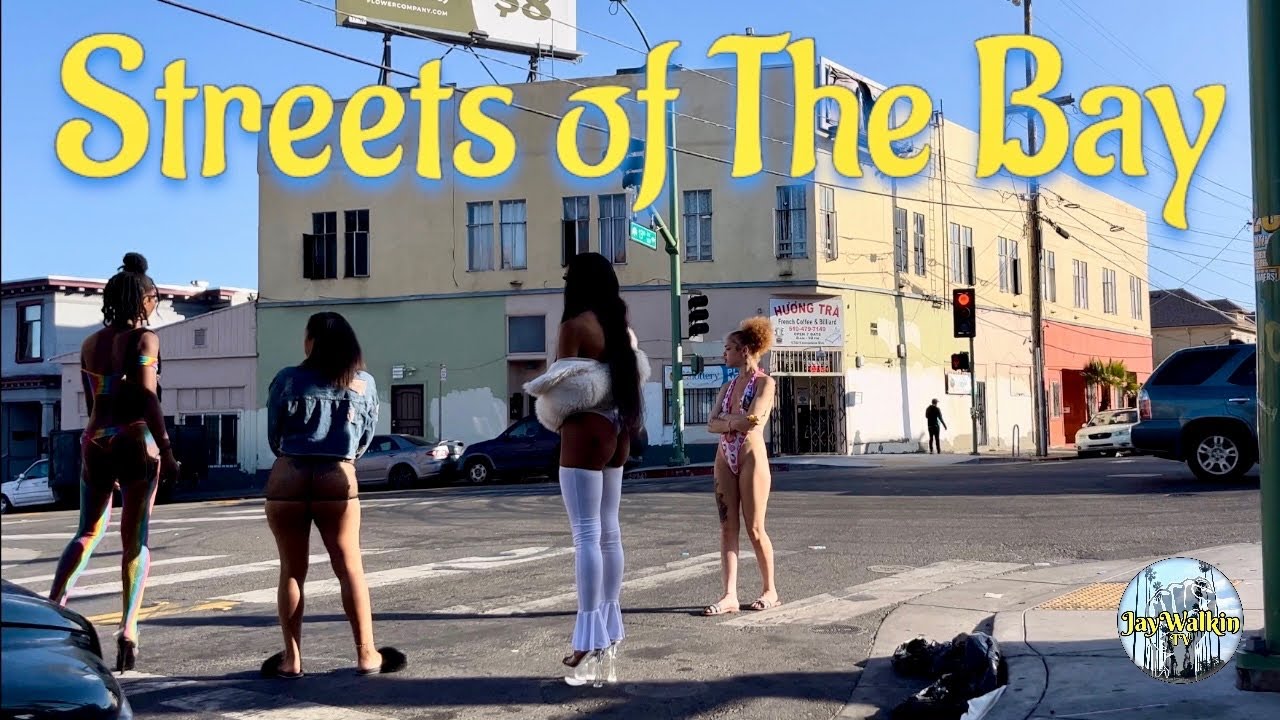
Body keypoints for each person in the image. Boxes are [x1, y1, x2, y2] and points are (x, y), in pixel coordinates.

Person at [47, 252, 181, 673]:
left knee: (87, 532)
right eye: (154, 298)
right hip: (135, 438)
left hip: (95, 438)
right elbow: (146, 397)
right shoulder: (145, 339)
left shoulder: (90, 344)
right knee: (135, 541)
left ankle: (54, 608)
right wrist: (167, 449)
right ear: (143, 300)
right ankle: (128, 629)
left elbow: (93, 401)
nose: (155, 304)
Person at [522, 252, 648, 687]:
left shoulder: (574, 326)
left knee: (586, 535)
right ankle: (610, 634)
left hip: (586, 429)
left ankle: (586, 640)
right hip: (619, 429)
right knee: (610, 531)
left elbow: (562, 386)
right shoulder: (619, 326)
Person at [261, 311, 405, 678]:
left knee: (292, 571)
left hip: (289, 476)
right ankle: (366, 654)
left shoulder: (287, 379)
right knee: (349, 567)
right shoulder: (363, 383)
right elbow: (364, 439)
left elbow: (274, 434)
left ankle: (292, 660)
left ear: (311, 341)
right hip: (336, 476)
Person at [703, 317, 780, 617]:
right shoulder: (727, 387)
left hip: (751, 456)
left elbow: (753, 421)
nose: (724, 353)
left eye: (729, 348)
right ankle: (729, 595)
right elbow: (711, 424)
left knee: (755, 528)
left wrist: (727, 421)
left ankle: (770, 589)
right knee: (727, 527)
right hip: (725, 455)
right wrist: (732, 422)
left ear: (744, 350)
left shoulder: (764, 383)